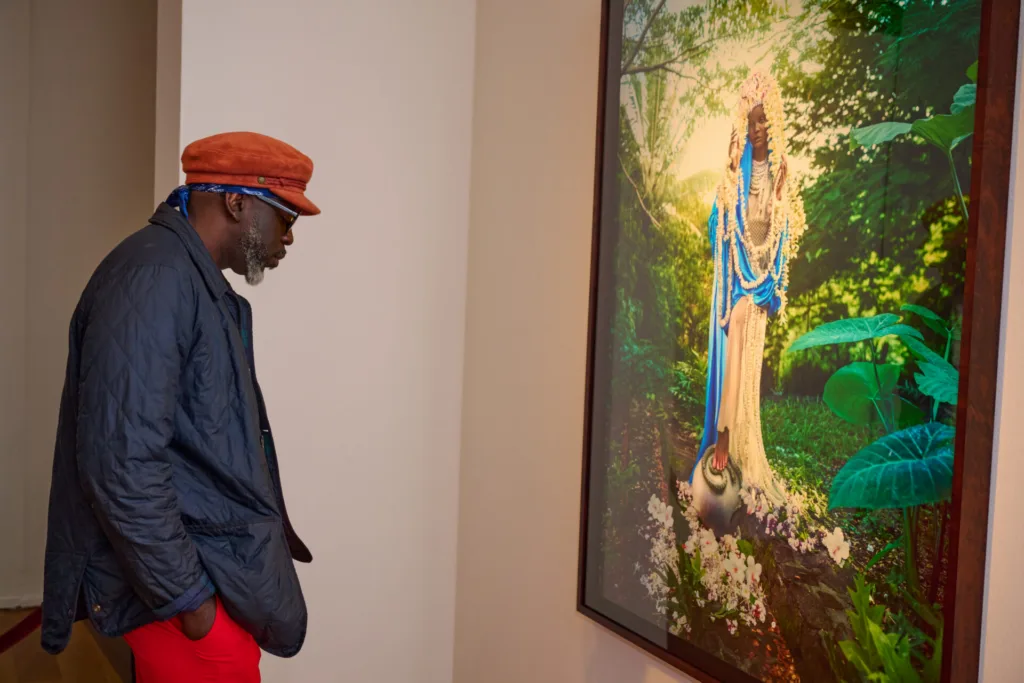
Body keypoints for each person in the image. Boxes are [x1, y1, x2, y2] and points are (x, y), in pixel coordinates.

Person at [39, 131, 319, 682]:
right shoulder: (156, 278)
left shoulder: (186, 278)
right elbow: (120, 464)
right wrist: (193, 605)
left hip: (199, 580)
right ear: (236, 202)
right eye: (285, 217)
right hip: (173, 598)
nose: (290, 238)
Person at [690, 71, 807, 514]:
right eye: (751, 120)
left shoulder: (779, 175)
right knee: (730, 330)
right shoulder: (736, 173)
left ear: (773, 123)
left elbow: (778, 242)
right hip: (733, 290)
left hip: (756, 295)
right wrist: (726, 172)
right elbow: (719, 228)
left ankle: (729, 447)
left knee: (742, 326)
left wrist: (777, 202)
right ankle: (722, 448)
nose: (758, 128)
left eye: (764, 121)